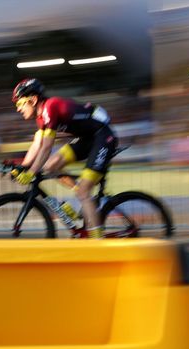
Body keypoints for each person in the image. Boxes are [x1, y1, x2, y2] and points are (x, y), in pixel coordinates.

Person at [11, 78, 118, 238]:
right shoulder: (41, 118)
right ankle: (79, 196)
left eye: (20, 104)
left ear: (33, 100)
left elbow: (46, 147)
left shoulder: (50, 107)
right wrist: (23, 167)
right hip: (88, 138)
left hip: (103, 136)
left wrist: (32, 172)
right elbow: (37, 145)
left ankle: (98, 239)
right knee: (50, 166)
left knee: (83, 192)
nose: (18, 109)